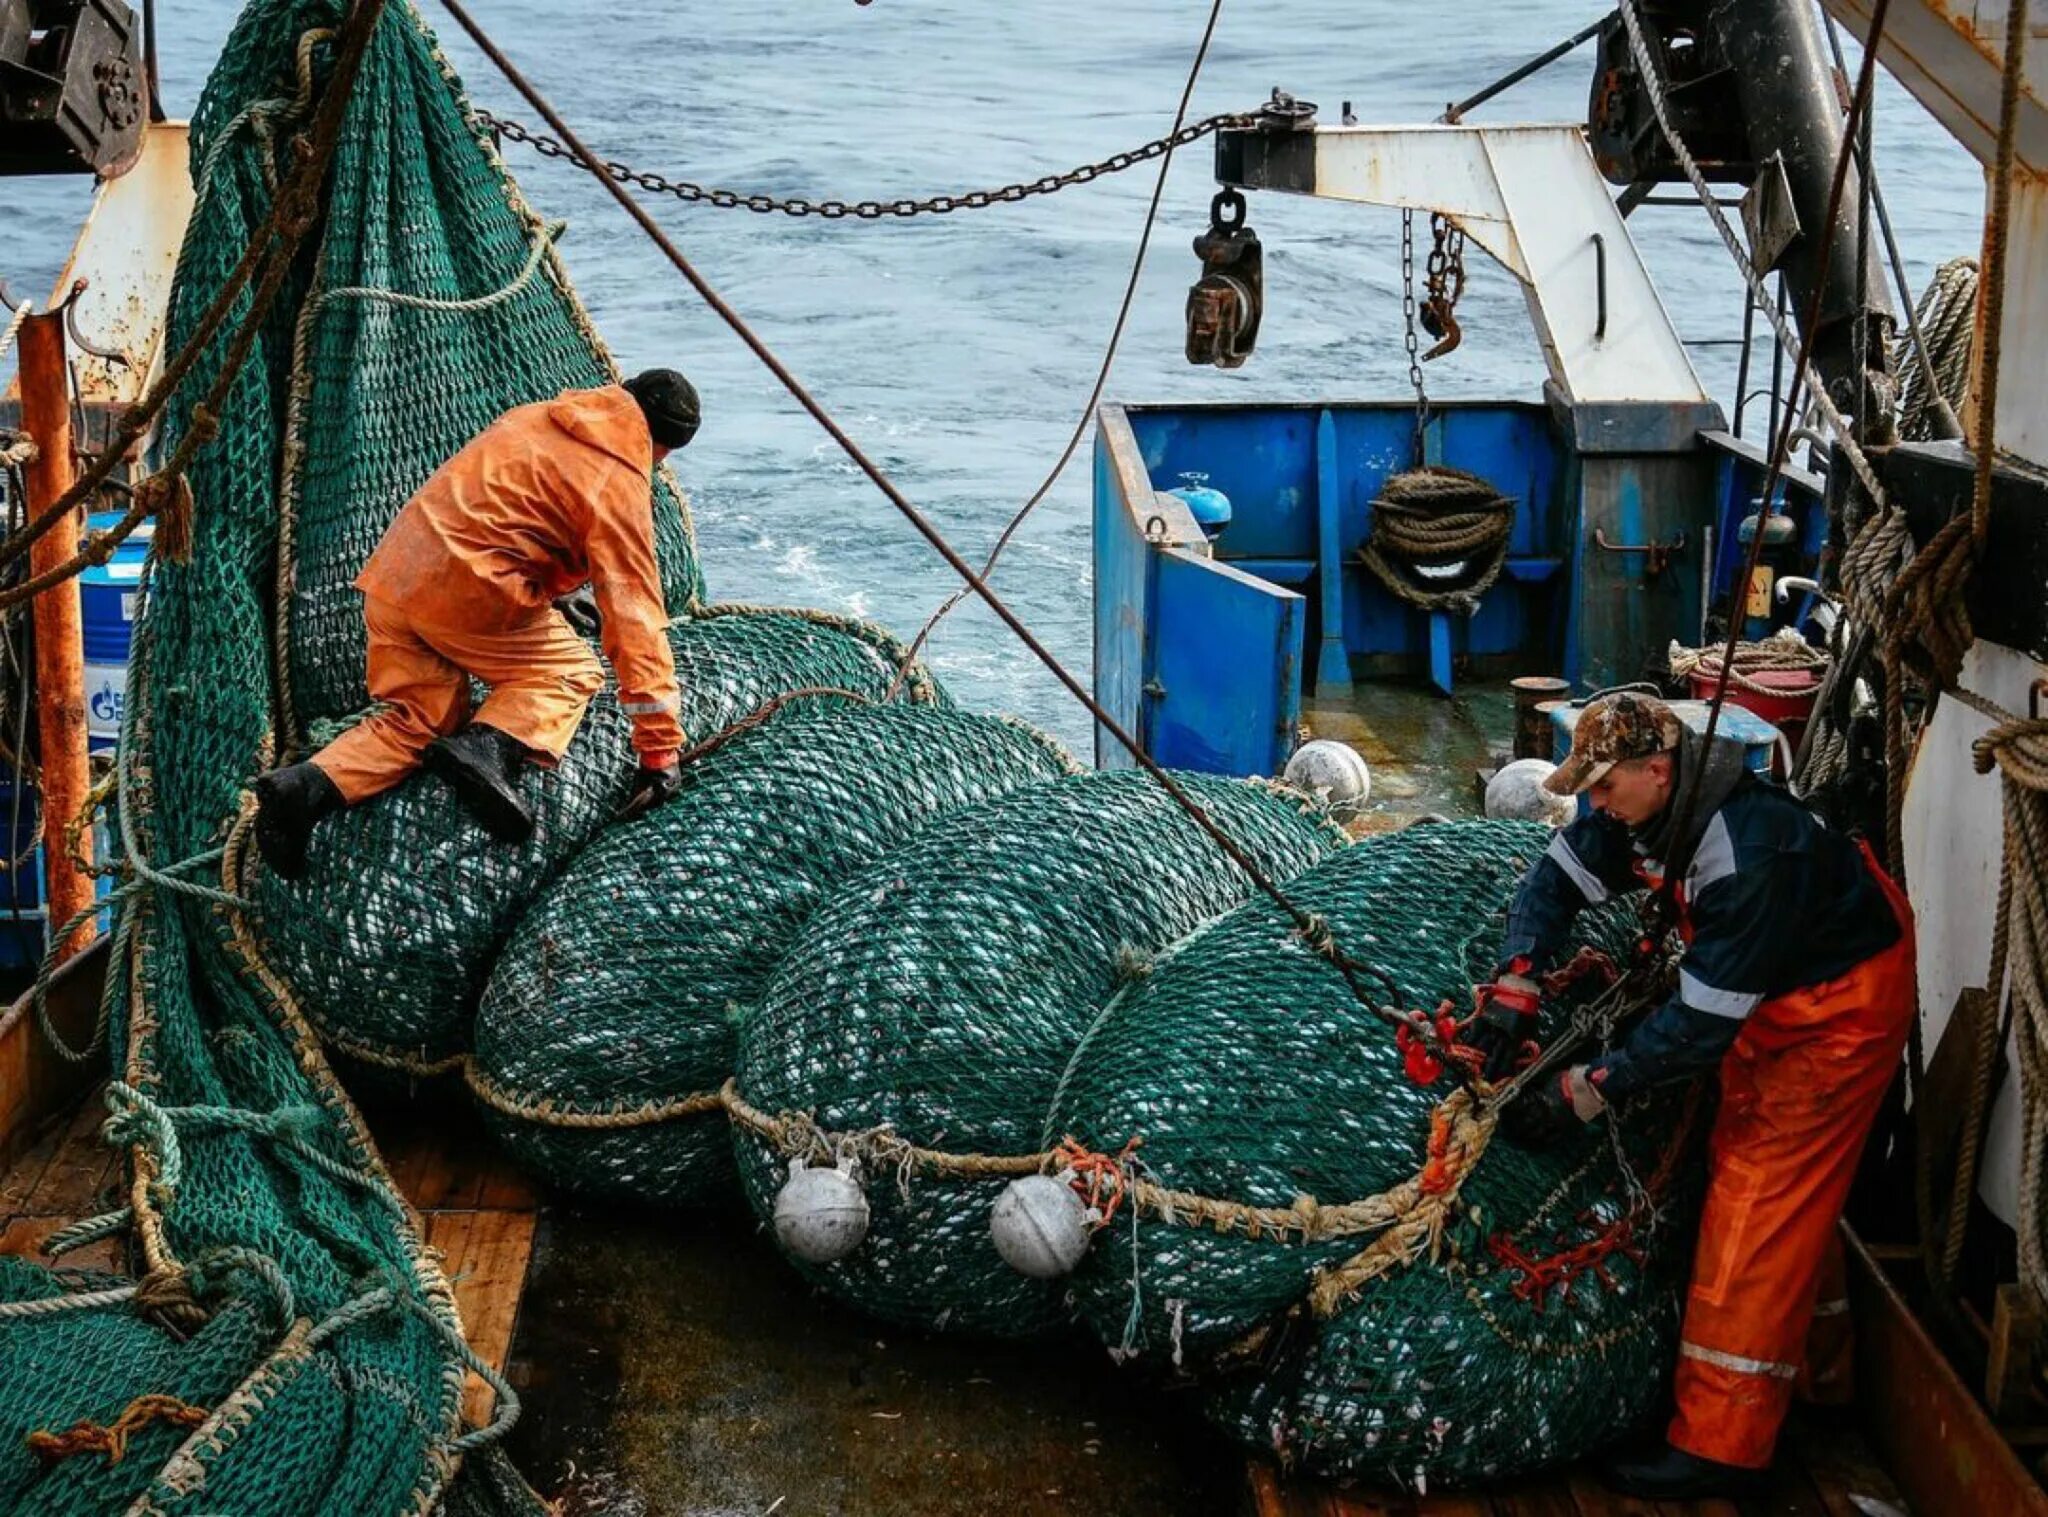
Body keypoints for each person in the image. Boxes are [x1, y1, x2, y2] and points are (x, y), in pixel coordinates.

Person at [1466, 691, 1915, 1500]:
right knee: (1772, 1182)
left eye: (1603, 787)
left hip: (1836, 1010)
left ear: (1657, 769)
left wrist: (1579, 1093)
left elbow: (1693, 1034)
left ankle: (1720, 1445)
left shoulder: (1748, 858)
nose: (1594, 805)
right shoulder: (1643, 812)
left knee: (1757, 1199)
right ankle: (1824, 1370)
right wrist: (1518, 979)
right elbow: (1553, 882)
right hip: (1773, 989)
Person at [250, 369, 701, 879]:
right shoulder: (619, 479)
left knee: (421, 720)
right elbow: (634, 620)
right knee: (570, 669)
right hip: (469, 597)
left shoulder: (536, 416)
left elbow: (501, 513)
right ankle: (489, 748)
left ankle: (304, 789)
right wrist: (660, 750)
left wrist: (556, 591)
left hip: (394, 576)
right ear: (663, 446)